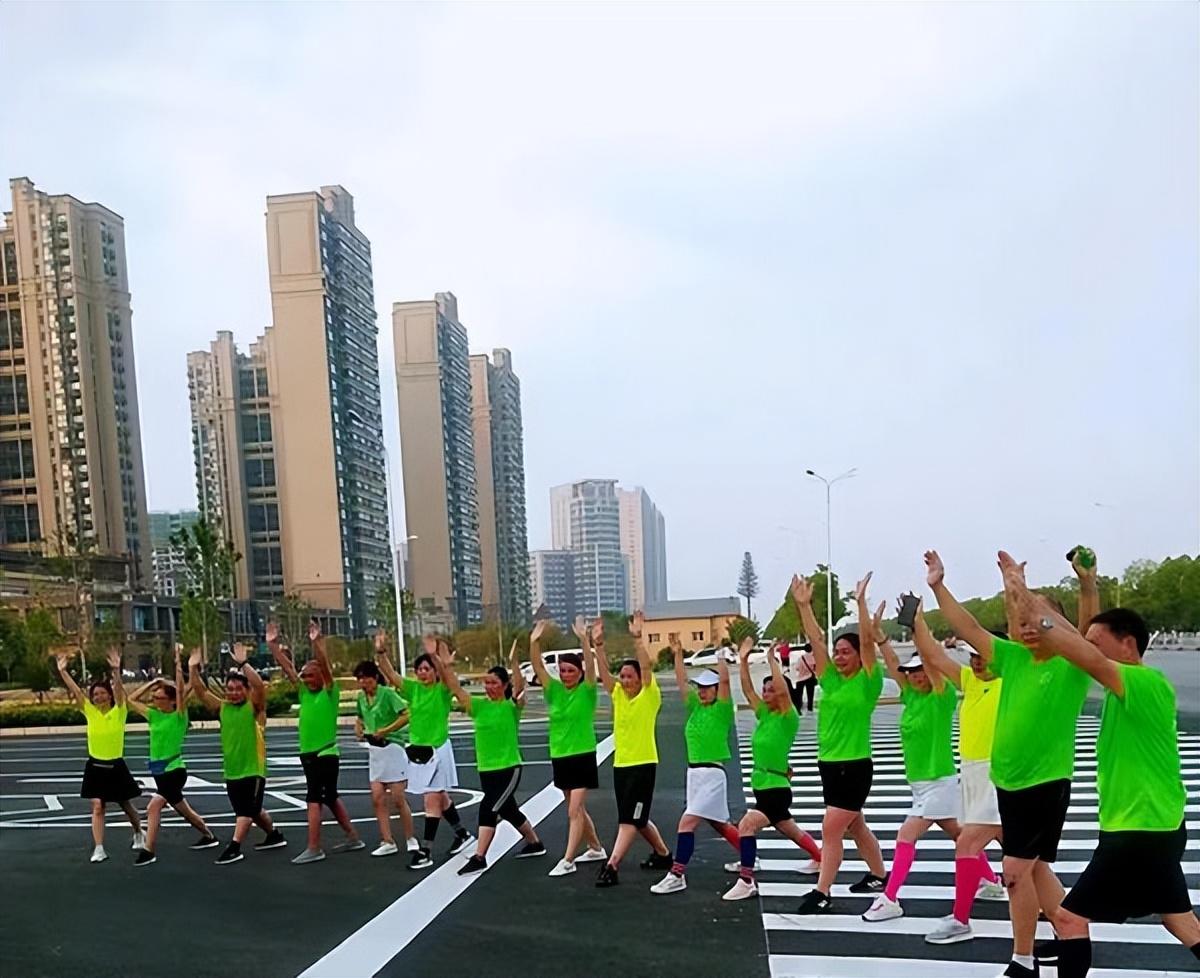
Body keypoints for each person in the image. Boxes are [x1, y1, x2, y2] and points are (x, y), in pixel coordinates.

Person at [1002, 585, 1200, 977]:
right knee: (1181, 922)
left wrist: (1026, 599)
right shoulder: (1123, 691)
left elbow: (1073, 648)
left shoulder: (1143, 684)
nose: (1086, 650)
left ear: (1128, 645)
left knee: (1068, 920)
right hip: (1158, 826)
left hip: (1137, 831)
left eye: (1096, 643)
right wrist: (1087, 584)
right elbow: (1073, 641)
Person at [927, 549, 1096, 978]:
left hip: (1045, 782)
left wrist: (1086, 584)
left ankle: (1022, 960)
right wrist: (938, 586)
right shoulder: (1013, 658)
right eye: (1021, 621)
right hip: (1008, 783)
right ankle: (1069, 927)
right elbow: (967, 625)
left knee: (1016, 871)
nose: (1028, 626)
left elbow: (1085, 626)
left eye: (1038, 618)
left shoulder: (1071, 663)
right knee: (1035, 869)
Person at [860, 594, 963, 921]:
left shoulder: (940, 696)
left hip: (940, 781)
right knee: (963, 836)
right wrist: (881, 638)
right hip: (920, 784)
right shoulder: (911, 697)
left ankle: (890, 897)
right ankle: (990, 880)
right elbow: (892, 664)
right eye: (911, 672)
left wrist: (919, 626)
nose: (914, 675)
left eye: (920, 670)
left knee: (905, 836)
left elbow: (933, 664)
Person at [791, 572, 888, 914]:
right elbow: (816, 640)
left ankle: (823, 891)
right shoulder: (831, 680)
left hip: (854, 765)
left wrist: (860, 603)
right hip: (829, 764)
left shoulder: (868, 682)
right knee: (855, 824)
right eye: (838, 652)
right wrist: (804, 605)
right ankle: (879, 874)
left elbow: (867, 641)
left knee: (831, 827)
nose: (840, 656)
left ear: (860, 656)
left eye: (847, 651)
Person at [920, 631, 1007, 944]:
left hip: (996, 774)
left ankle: (960, 918)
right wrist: (917, 625)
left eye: (983, 655)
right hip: (972, 773)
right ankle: (1057, 913)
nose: (977, 662)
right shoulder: (971, 681)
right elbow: (936, 657)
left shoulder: (1009, 684)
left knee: (968, 844)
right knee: (1021, 856)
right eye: (973, 656)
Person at [723, 639, 823, 900]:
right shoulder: (765, 715)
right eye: (764, 690)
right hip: (764, 785)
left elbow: (781, 690)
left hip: (776, 789)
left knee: (746, 826)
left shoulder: (788, 718)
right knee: (790, 829)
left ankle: (747, 880)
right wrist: (743, 661)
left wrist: (772, 660)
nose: (765, 694)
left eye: (770, 690)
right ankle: (821, 858)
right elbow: (747, 691)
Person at [440, 639, 546, 874]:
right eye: (486, 682)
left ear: (504, 684)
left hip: (508, 768)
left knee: (488, 808)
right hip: (486, 769)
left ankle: (480, 856)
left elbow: (519, 687)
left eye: (494, 683)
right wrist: (446, 666)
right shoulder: (478, 706)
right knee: (508, 810)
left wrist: (514, 662)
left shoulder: (511, 706)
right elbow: (456, 688)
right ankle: (535, 843)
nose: (489, 686)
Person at [650, 633, 741, 894]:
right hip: (695, 775)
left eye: (707, 687)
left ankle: (677, 874)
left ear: (716, 690)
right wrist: (677, 654)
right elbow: (681, 682)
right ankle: (749, 854)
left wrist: (720, 653)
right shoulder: (696, 707)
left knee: (686, 823)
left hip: (712, 774)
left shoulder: (722, 709)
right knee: (720, 823)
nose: (701, 691)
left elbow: (724, 680)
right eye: (700, 687)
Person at [267, 620, 363, 864]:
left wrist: (317, 644)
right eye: (304, 676)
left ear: (321, 675)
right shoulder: (304, 692)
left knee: (314, 798)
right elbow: (288, 668)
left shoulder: (330, 692)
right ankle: (353, 836)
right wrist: (272, 645)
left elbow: (325, 666)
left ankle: (314, 847)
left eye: (311, 675)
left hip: (325, 753)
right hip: (308, 754)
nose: (306, 679)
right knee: (329, 797)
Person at [377, 635, 474, 869]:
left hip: (437, 750)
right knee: (439, 797)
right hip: (417, 752)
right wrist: (381, 652)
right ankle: (462, 834)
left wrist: (436, 656)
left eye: (427, 668)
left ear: (434, 671)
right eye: (419, 669)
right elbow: (391, 675)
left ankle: (426, 850)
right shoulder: (414, 689)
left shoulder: (442, 690)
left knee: (430, 800)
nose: (422, 673)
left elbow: (448, 677)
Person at [593, 611, 673, 887]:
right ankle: (663, 854)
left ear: (640, 679)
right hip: (621, 766)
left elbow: (647, 668)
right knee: (637, 819)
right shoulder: (618, 696)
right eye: (623, 676)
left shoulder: (649, 696)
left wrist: (638, 639)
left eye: (630, 676)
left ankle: (612, 865)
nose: (624, 681)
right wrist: (598, 646)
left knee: (629, 818)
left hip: (643, 765)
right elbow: (604, 675)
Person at [190, 645, 287, 865]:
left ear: (246, 690)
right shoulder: (223, 708)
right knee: (251, 811)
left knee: (246, 810)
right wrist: (192, 668)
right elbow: (201, 692)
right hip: (232, 770)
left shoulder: (255, 708)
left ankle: (234, 847)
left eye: (237, 688)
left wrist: (243, 664)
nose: (233, 693)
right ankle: (274, 835)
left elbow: (259, 686)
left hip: (253, 769)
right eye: (229, 689)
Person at [124, 645, 219, 864]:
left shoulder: (179, 716)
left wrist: (178, 662)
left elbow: (179, 690)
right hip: (159, 771)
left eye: (159, 698)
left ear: (170, 700)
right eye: (154, 698)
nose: (155, 701)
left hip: (174, 770)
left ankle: (148, 851)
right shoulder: (154, 716)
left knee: (153, 806)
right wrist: (151, 683)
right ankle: (208, 835)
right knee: (183, 810)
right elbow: (130, 701)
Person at [55, 646, 144, 863]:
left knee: (125, 804)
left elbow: (122, 694)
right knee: (97, 806)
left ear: (110, 695)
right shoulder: (90, 712)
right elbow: (76, 692)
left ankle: (139, 832)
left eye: (103, 693)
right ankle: (99, 847)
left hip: (116, 766)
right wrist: (63, 672)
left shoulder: (119, 711)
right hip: (95, 766)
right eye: (95, 694)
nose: (99, 696)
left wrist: (116, 670)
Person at [534, 617, 608, 877]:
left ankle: (568, 859)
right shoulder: (553, 690)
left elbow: (590, 664)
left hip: (582, 755)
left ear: (579, 672)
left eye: (571, 670)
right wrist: (535, 642)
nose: (566, 674)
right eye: (563, 670)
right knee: (576, 809)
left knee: (573, 810)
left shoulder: (587, 691)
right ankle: (596, 847)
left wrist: (584, 641)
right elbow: (538, 667)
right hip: (560, 755)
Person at [354, 641, 417, 857]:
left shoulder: (388, 694)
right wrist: (359, 727)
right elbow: (360, 717)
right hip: (375, 750)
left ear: (375, 678)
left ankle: (410, 837)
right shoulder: (361, 698)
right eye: (360, 680)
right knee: (377, 797)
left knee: (398, 798)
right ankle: (387, 840)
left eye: (367, 679)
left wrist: (387, 730)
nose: (364, 683)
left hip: (392, 747)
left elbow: (406, 714)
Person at [790, 642, 817, 714]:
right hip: (810, 678)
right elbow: (815, 668)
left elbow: (797, 668)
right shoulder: (814, 658)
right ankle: (810, 709)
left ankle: (799, 708)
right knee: (810, 694)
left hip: (801, 678)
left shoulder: (801, 658)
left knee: (799, 695)